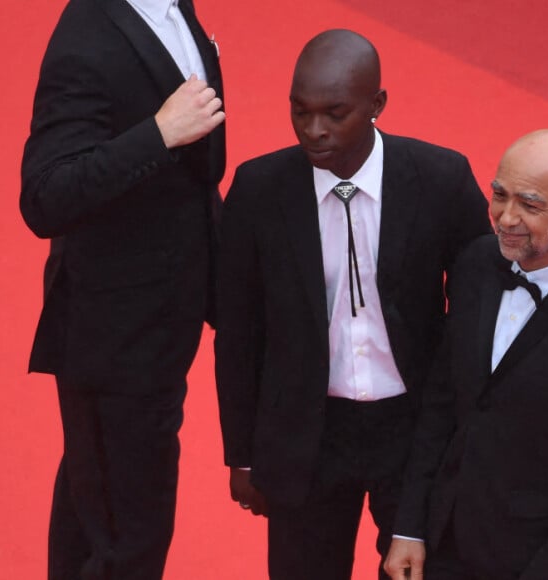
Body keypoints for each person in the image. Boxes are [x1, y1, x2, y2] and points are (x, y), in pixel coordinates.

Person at [215, 28, 491, 579]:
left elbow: (478, 309)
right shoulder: (258, 189)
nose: (313, 130)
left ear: (377, 106)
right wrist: (242, 454)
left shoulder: (442, 178)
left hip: (413, 430)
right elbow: (239, 331)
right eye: (300, 111)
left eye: (334, 113)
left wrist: (468, 431)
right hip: (308, 435)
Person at [20, 0, 225, 577]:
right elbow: (45, 197)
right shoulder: (83, 41)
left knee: (94, 513)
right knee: (129, 538)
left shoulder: (171, 6)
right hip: (115, 343)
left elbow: (197, 171)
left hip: (164, 321)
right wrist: (159, 133)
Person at [385, 129, 548, 580]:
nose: (505, 218)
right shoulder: (475, 264)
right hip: (444, 542)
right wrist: (410, 527)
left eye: (529, 205)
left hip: (539, 557)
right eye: (499, 195)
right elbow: (440, 405)